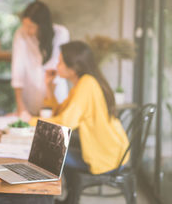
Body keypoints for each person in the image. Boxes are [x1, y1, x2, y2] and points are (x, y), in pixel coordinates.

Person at [43, 41, 129, 204]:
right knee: (54, 146)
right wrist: (49, 88)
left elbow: (65, 122)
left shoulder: (87, 84)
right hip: (109, 152)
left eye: (60, 61)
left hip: (107, 158)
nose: (56, 65)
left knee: (48, 150)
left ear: (73, 67)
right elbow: (61, 113)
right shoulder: (83, 83)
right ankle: (68, 198)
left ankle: (45, 199)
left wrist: (29, 120)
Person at [12, 1, 70, 121]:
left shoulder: (61, 33)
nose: (27, 30)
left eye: (31, 27)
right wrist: (20, 106)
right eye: (25, 25)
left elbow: (55, 71)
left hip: (54, 96)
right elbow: (17, 69)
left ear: (42, 25)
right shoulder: (21, 33)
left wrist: (48, 107)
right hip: (30, 97)